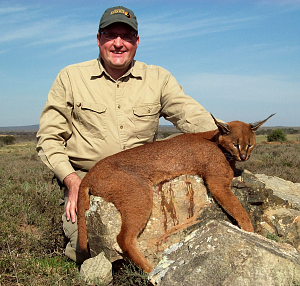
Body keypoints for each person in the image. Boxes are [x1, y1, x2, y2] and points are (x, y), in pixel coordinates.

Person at [36, 5, 217, 264]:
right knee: (91, 252)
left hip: (142, 176)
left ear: (137, 41)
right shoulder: (70, 77)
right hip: (90, 179)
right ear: (99, 39)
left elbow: (192, 116)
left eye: (127, 36)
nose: (118, 43)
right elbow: (49, 138)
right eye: (111, 35)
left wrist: (229, 140)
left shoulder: (158, 78)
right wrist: (71, 180)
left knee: (173, 235)